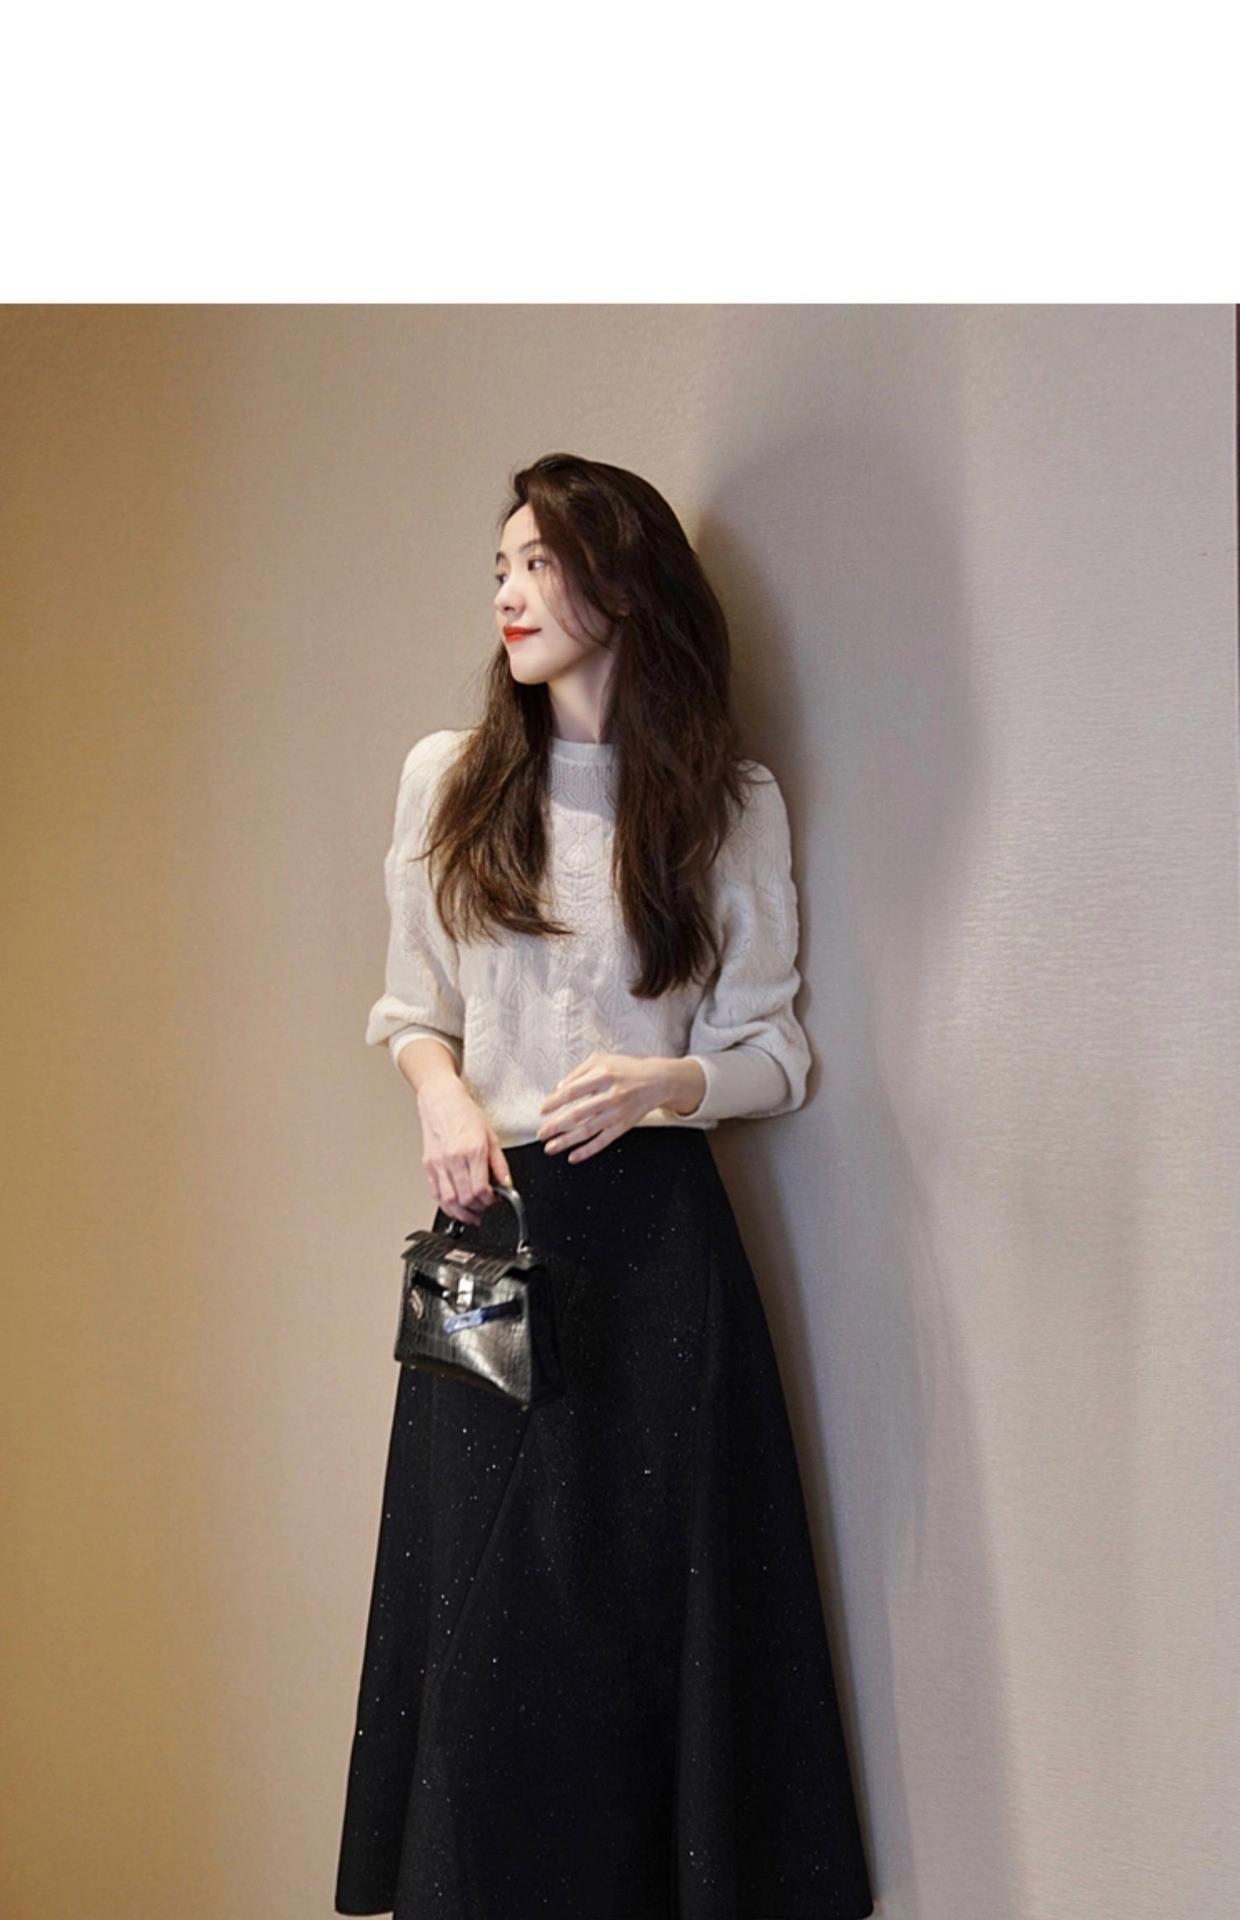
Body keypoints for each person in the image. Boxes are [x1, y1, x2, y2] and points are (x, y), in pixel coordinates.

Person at [334, 453, 875, 1920]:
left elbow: (776, 1054)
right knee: (485, 1627)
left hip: (660, 1255)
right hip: (495, 1240)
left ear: (622, 586)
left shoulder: (726, 800)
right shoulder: (449, 778)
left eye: (539, 564)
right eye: (500, 568)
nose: (509, 594)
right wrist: (444, 1094)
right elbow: (411, 1008)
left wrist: (663, 1083)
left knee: (649, 1635)